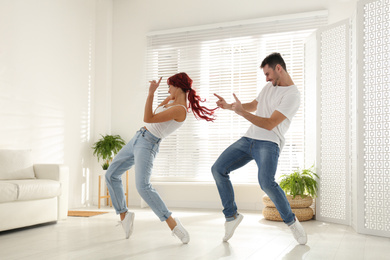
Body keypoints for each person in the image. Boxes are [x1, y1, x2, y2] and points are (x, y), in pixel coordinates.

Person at [105, 72, 216, 244]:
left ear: (178, 86)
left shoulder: (179, 110)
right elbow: (152, 117)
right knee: (111, 174)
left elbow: (148, 117)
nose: (168, 89)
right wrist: (158, 97)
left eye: (170, 86)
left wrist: (151, 93)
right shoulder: (172, 102)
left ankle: (173, 224)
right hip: (138, 137)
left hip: (148, 144)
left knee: (143, 186)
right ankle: (124, 215)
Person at [212, 52, 307, 245]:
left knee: (266, 182)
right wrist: (230, 107)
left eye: (268, 73)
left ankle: (292, 222)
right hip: (249, 138)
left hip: (269, 142)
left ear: (278, 68)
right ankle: (231, 217)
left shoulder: (292, 95)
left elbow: (271, 123)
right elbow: (254, 105)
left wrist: (240, 113)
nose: (266, 78)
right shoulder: (268, 87)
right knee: (218, 169)